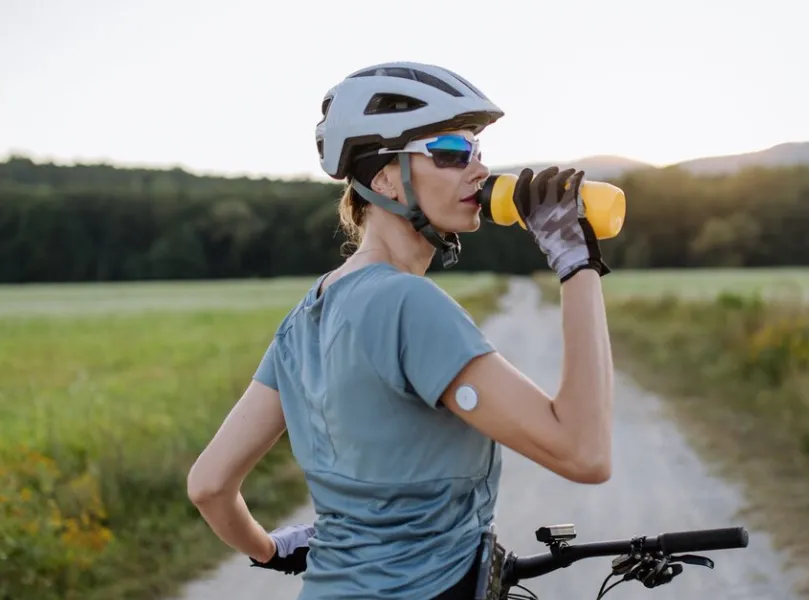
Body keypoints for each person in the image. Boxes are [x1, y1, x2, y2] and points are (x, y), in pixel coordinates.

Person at [186, 61, 615, 600]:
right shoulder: (409, 304)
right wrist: (575, 264)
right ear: (384, 177)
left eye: (478, 152)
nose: (478, 170)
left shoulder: (305, 318)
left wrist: (273, 549)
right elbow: (584, 452)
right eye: (452, 152)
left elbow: (209, 485)